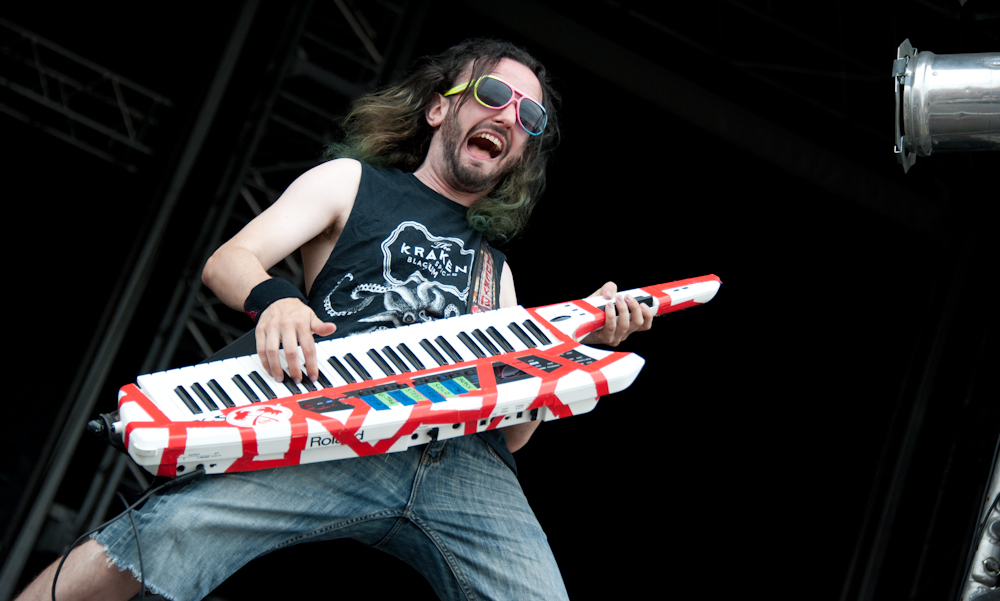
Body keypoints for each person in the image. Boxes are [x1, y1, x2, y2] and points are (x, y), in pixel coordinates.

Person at [17, 38, 653, 601]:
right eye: (493, 93)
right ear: (440, 108)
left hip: (466, 463)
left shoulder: (497, 271)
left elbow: (514, 434)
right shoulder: (351, 182)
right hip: (342, 420)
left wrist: (564, 348)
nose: (509, 115)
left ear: (519, 153)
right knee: (169, 532)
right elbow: (230, 260)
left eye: (529, 114)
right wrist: (279, 300)